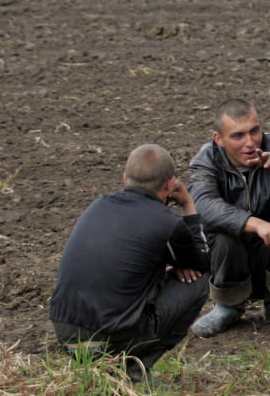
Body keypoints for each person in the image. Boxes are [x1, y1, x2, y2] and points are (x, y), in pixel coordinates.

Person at [50, 144, 210, 384]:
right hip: (111, 342)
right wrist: (188, 206)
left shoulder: (98, 205)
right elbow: (202, 261)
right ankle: (135, 370)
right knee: (197, 282)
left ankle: (102, 369)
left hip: (65, 334)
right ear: (170, 184)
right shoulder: (166, 222)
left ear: (125, 179)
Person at [187, 98, 270, 337]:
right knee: (224, 236)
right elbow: (204, 206)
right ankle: (228, 306)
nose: (250, 142)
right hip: (229, 253)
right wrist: (255, 224)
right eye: (238, 136)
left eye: (254, 131)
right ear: (219, 138)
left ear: (260, 126)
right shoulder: (206, 160)